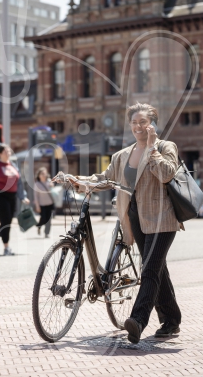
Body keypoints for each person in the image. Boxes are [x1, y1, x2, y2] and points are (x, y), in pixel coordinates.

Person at [76, 102, 184, 344]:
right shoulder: (123, 155)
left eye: (143, 122)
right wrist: (81, 181)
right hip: (137, 219)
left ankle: (137, 320)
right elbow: (106, 179)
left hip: (162, 219)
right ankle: (171, 319)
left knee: (150, 269)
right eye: (134, 122)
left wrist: (153, 148)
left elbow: (167, 174)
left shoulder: (166, 147)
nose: (138, 126)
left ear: (153, 124)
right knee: (156, 268)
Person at [33, 167, 54, 238]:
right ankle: (39, 226)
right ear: (39, 175)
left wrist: (52, 186)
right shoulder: (37, 184)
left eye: (45, 174)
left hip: (50, 203)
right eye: (42, 174)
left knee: (49, 219)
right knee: (44, 218)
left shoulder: (49, 181)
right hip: (42, 204)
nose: (43, 175)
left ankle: (46, 233)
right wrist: (37, 206)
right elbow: (36, 196)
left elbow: (53, 192)